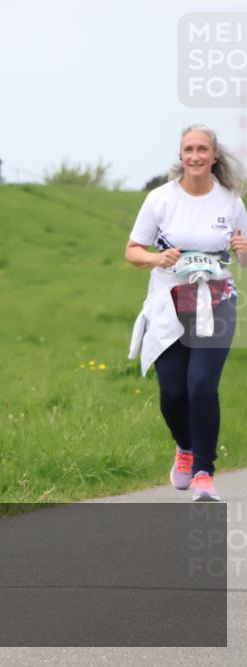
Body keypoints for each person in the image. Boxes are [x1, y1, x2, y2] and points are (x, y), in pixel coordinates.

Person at [126, 124, 246, 502]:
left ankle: (204, 474)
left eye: (202, 149)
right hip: (169, 305)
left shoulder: (231, 201)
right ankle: (185, 447)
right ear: (181, 156)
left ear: (214, 156)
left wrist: (243, 250)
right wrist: (156, 258)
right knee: (174, 392)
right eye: (188, 149)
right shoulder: (160, 199)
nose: (195, 156)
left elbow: (243, 255)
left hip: (217, 302)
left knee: (201, 386)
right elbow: (133, 250)